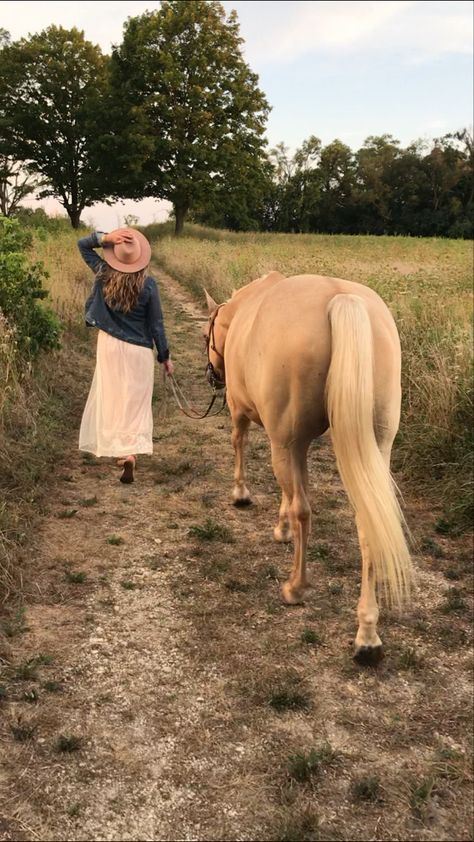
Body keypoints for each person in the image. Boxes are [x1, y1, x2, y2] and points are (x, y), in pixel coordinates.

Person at [77, 228, 173, 483]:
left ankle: (119, 447)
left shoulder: (103, 273)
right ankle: (130, 452)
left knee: (113, 396)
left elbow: (82, 245)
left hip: (109, 344)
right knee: (135, 402)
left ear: (113, 255)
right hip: (139, 349)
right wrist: (164, 357)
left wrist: (104, 239)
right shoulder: (149, 285)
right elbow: (156, 325)